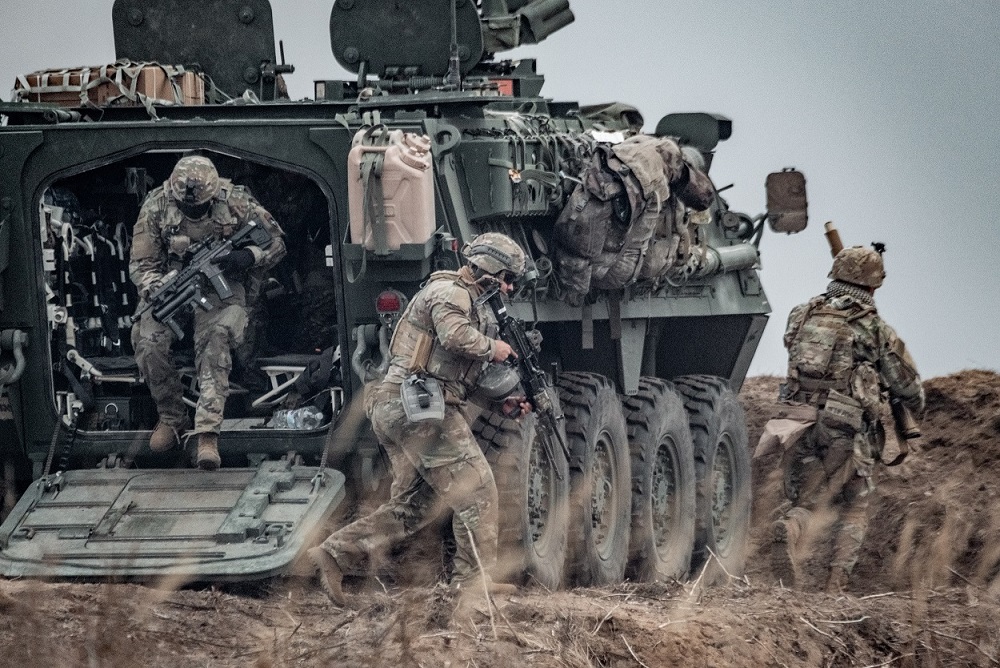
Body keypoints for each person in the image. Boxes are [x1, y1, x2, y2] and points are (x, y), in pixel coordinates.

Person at [308, 232, 530, 610]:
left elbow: (457, 378)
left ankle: (334, 554)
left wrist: (501, 406)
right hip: (416, 408)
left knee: (416, 506)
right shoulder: (450, 292)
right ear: (489, 270)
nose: (510, 288)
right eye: (508, 279)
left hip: (410, 407)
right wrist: (494, 348)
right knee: (476, 488)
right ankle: (471, 583)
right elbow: (454, 336)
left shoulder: (467, 301)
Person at [762, 244, 924, 592]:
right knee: (854, 505)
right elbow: (907, 385)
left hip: (795, 421)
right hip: (845, 428)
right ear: (873, 286)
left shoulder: (801, 314)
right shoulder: (874, 327)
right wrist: (913, 409)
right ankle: (835, 587)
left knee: (806, 501)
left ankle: (789, 528)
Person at [130, 155, 286, 469]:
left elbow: (277, 243)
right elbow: (142, 265)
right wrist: (156, 287)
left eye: (199, 207)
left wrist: (248, 255)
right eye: (186, 207)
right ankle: (172, 418)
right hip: (174, 285)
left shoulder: (236, 202)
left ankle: (207, 433)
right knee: (147, 341)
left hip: (222, 287)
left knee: (216, 336)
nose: (193, 211)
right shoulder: (156, 206)